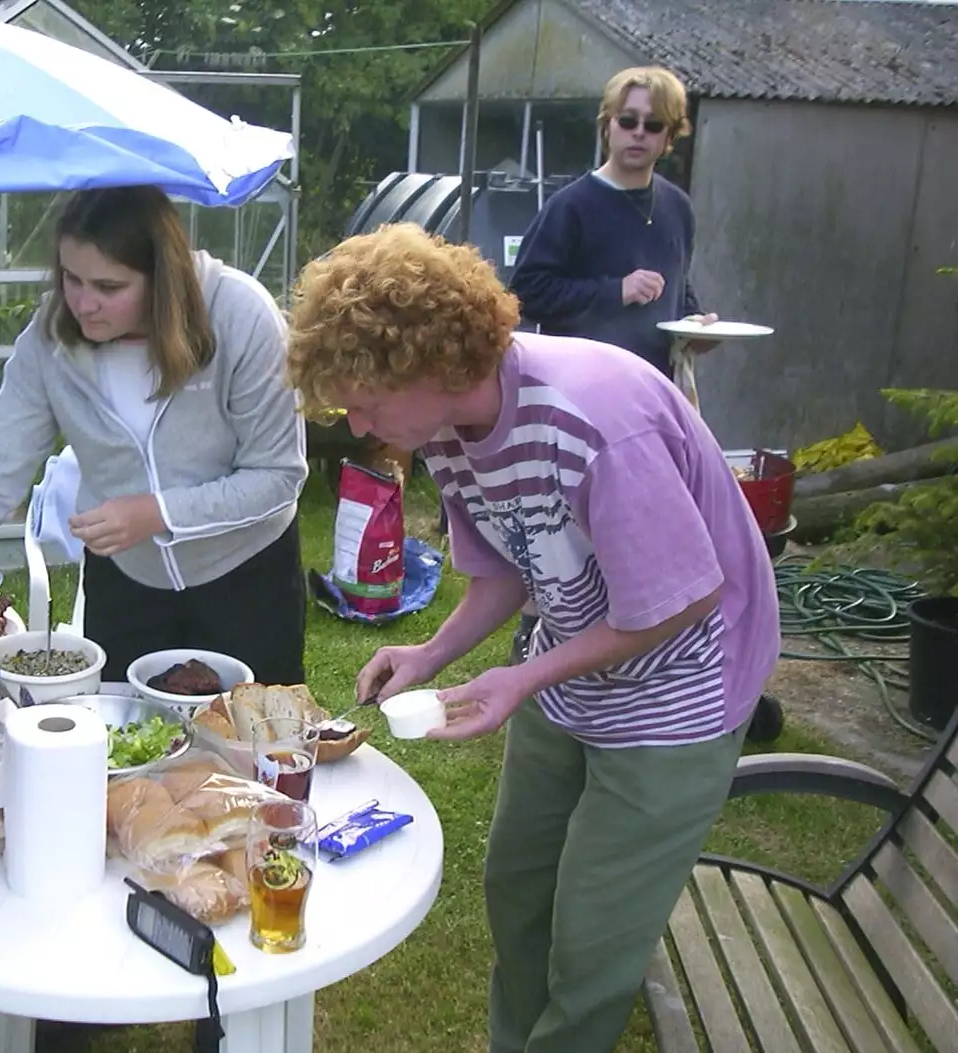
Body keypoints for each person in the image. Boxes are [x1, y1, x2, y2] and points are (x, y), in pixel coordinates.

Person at [284, 223, 780, 1053]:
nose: (354, 418)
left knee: (591, 940)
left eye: (365, 397)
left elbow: (679, 601)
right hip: (572, 666)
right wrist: (431, 653)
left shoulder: (595, 419)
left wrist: (521, 678)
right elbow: (511, 569)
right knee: (517, 890)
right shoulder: (442, 431)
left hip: (681, 692)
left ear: (436, 363)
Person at [0, 185, 309, 685]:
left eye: (109, 287)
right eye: (71, 279)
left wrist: (157, 513)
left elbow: (277, 476)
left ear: (163, 278)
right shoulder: (48, 341)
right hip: (125, 584)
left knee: (254, 751)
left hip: (247, 578)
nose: (83, 304)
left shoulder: (240, 314)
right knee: (126, 749)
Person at [509, 65, 718, 378]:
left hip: (654, 388)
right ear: (607, 126)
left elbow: (676, 283)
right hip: (579, 388)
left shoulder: (678, 207)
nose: (638, 132)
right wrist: (615, 291)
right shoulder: (570, 206)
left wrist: (694, 327)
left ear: (669, 137)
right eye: (628, 120)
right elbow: (525, 294)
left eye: (654, 124)